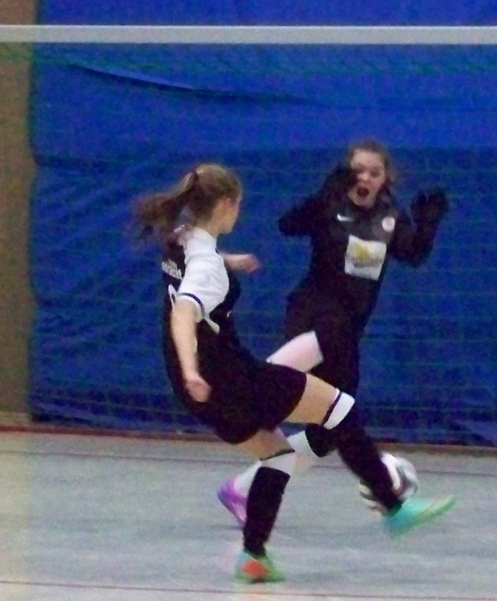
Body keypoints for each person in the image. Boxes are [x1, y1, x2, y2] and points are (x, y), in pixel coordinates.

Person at [133, 163, 455, 583]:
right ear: (227, 205)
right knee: (339, 409)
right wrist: (194, 367)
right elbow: (184, 311)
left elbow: (196, 268)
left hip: (194, 393)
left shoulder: (181, 238)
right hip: (231, 379)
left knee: (279, 455)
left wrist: (228, 262)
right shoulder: (205, 267)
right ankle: (394, 507)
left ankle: (254, 558)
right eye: (239, 205)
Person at [216, 140, 450, 526]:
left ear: (385, 178)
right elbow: (288, 225)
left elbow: (413, 254)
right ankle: (254, 387)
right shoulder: (331, 204)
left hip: (346, 331)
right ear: (347, 173)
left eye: (374, 172)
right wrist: (322, 198)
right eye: (359, 171)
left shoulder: (390, 215)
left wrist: (428, 224)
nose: (366, 178)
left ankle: (241, 490)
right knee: (330, 337)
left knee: (329, 430)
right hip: (313, 313)